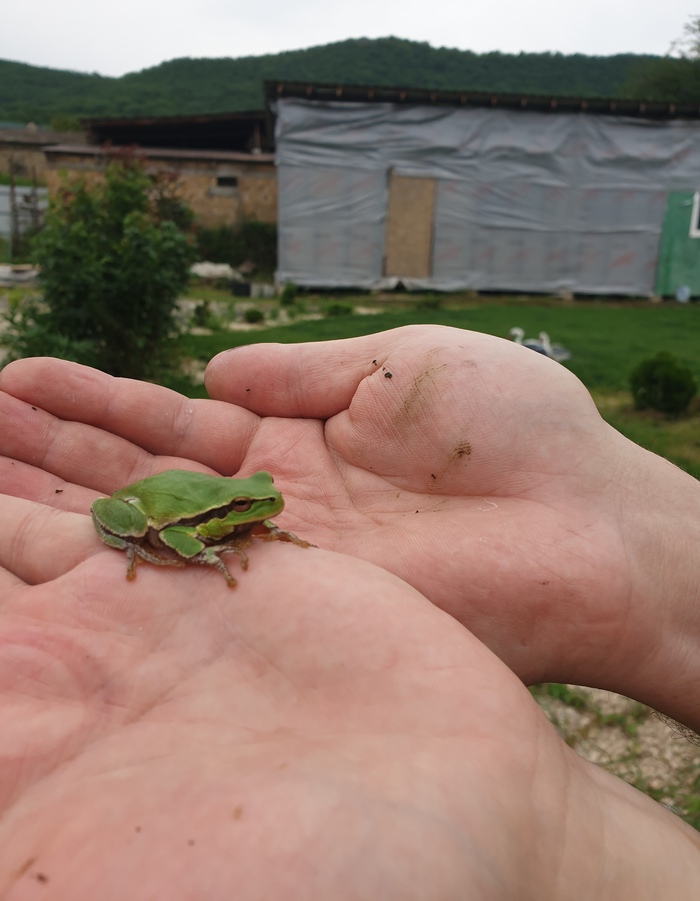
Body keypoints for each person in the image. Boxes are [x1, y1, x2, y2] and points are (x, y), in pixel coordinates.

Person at [0, 324, 698, 898]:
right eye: (250, 504)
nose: (268, 505)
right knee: (148, 528)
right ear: (230, 507)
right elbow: (182, 532)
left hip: (193, 499)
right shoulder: (203, 517)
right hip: (155, 514)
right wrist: (195, 550)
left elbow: (254, 505)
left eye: (260, 497)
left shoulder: (252, 501)